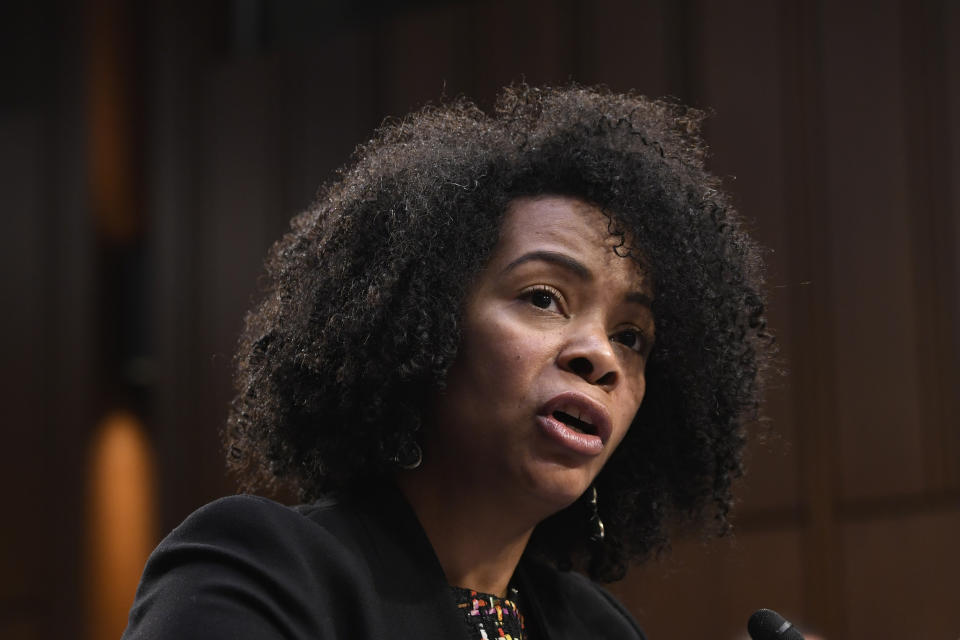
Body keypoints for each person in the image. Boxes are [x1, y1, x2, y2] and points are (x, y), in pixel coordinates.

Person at [123, 85, 770, 639]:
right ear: (420, 325)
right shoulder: (257, 565)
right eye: (543, 298)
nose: (599, 356)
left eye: (632, 336)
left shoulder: (595, 625)